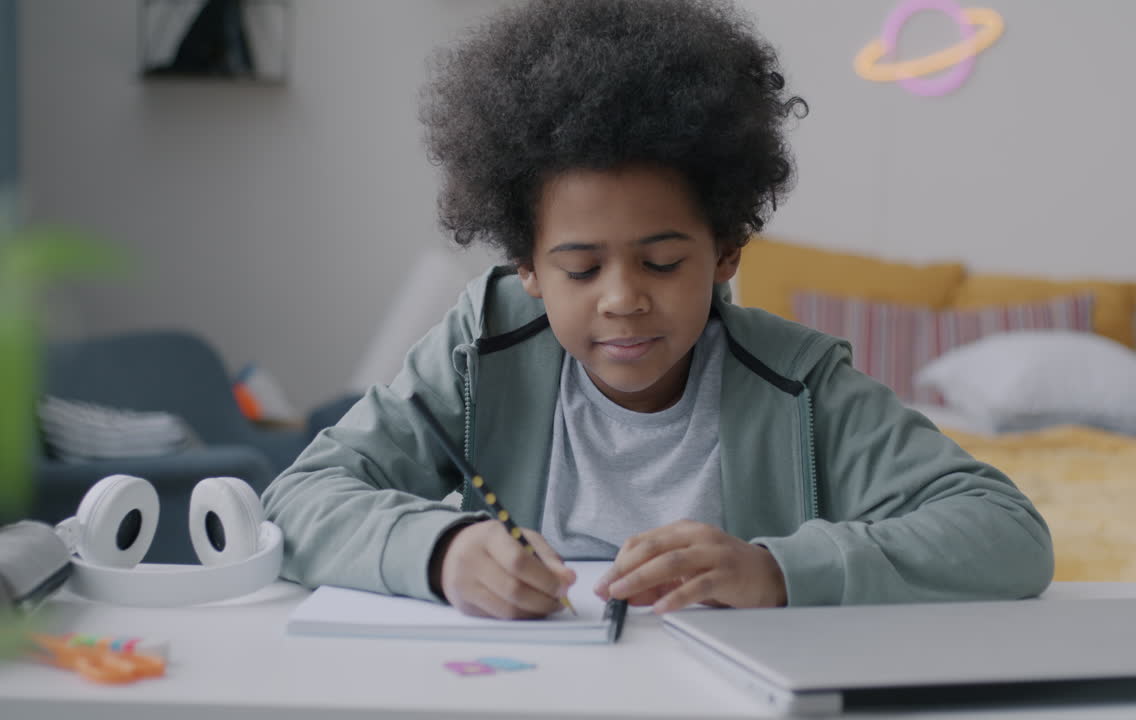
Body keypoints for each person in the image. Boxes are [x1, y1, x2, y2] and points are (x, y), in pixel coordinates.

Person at [262, 0, 1053, 620]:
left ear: (727, 251)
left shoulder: (799, 382)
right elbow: (299, 499)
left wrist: (777, 571)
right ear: (526, 266)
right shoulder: (484, 345)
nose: (623, 299)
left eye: (664, 262)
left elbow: (1009, 535)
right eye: (580, 268)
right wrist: (442, 552)